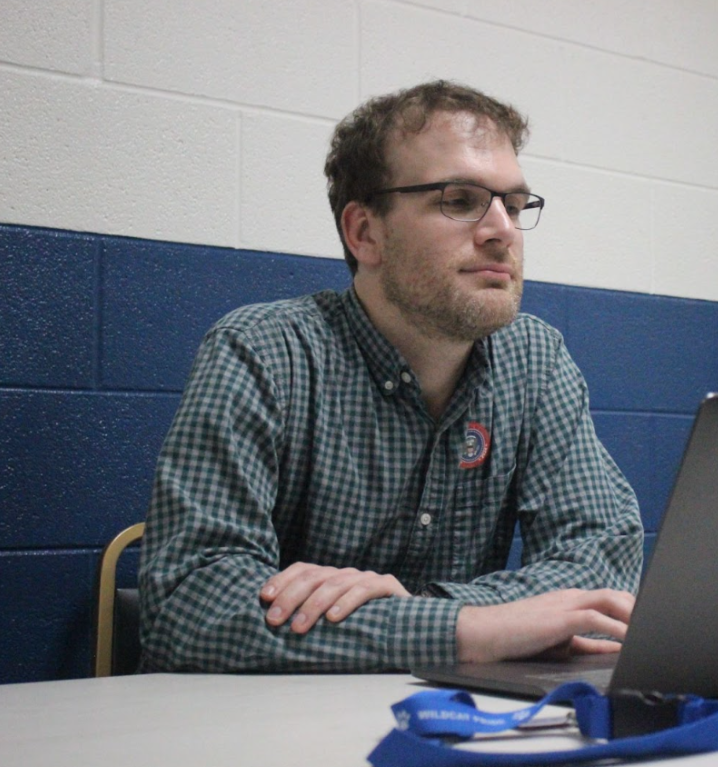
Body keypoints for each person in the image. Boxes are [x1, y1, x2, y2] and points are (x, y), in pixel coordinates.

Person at [138, 80, 644, 672]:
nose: (502, 229)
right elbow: (187, 603)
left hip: (436, 720)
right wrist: (466, 629)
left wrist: (434, 614)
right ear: (365, 233)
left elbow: (602, 562)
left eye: (514, 203)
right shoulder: (262, 352)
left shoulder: (534, 359)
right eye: (458, 200)